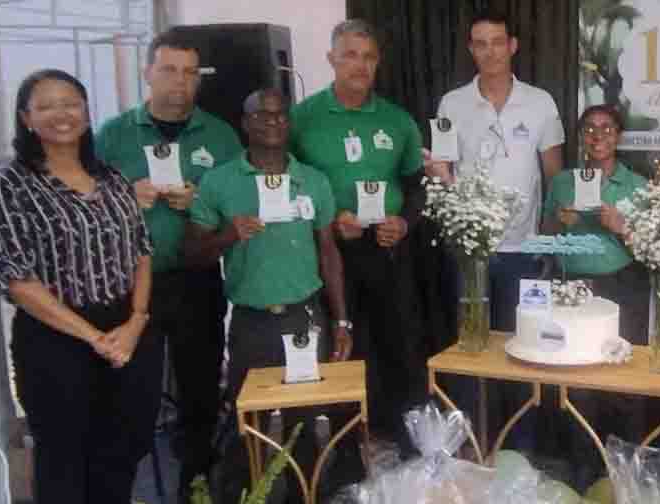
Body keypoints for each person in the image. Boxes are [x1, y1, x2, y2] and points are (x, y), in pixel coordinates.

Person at [0, 68, 159, 504]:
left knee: (124, 449)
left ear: (86, 111)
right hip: (55, 338)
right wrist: (95, 338)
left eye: (70, 103)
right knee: (64, 461)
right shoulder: (10, 185)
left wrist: (136, 321)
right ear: (26, 118)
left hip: (127, 330)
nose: (61, 114)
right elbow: (17, 280)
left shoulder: (113, 178)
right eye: (46, 106)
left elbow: (142, 251)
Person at [95, 30, 242, 495]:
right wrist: (125, 195)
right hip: (131, 284)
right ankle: (131, 487)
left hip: (198, 281)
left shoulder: (220, 135)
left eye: (189, 73)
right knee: (133, 395)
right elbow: (83, 203)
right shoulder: (113, 134)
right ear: (148, 73)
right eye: (169, 70)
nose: (180, 81)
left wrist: (201, 201)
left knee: (200, 391)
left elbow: (240, 204)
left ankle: (196, 485)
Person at [185, 88, 351, 503]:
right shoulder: (220, 181)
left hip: (305, 319)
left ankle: (304, 496)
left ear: (288, 123)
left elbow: (328, 253)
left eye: (280, 115)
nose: (272, 122)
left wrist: (341, 319)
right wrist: (228, 235)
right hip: (251, 323)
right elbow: (192, 253)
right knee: (248, 426)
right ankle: (247, 496)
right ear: (245, 123)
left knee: (306, 423)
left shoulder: (313, 180)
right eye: (262, 115)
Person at [425, 10, 565, 451]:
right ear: (471, 49)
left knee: (523, 350)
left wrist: (546, 240)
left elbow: (555, 177)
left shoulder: (540, 103)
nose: (490, 52)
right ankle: (471, 441)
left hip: (524, 250)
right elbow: (444, 169)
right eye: (480, 44)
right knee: (471, 349)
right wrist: (439, 177)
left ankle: (520, 448)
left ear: (513, 46)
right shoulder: (452, 104)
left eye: (497, 42)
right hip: (472, 252)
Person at [289, 19, 427, 440]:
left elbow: (416, 187)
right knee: (342, 345)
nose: (359, 65)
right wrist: (328, 221)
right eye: (349, 55)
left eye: (368, 57)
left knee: (400, 342)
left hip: (387, 247)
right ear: (331, 58)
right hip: (328, 251)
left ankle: (406, 441)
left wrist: (404, 222)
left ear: (378, 62)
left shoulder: (397, 120)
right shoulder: (302, 118)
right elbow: (286, 184)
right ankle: (347, 444)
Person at [541, 103, 649, 488]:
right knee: (578, 379)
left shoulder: (637, 185)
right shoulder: (563, 183)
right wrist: (560, 221)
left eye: (606, 128)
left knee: (622, 379)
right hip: (574, 289)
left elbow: (652, 250)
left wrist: (621, 226)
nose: (597, 135)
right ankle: (583, 466)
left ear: (619, 136)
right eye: (589, 128)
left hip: (623, 286)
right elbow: (545, 235)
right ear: (581, 137)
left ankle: (625, 469)